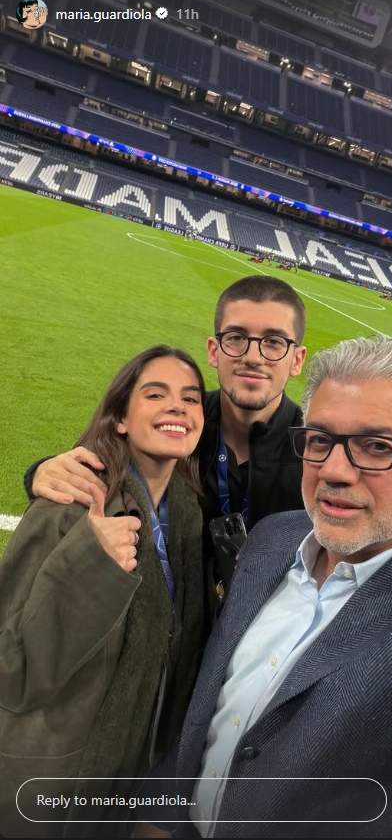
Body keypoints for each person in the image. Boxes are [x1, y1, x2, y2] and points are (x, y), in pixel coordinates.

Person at [144, 335, 392, 839]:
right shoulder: (273, 537)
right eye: (320, 440)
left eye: (378, 447)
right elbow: (215, 705)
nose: (334, 470)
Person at [23, 276, 392, 599]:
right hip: (167, 621)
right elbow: (99, 462)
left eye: (273, 342)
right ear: (214, 350)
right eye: (236, 338)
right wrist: (43, 472)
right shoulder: (173, 426)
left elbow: (388, 508)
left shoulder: (321, 449)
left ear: (296, 359)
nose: (253, 356)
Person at [0, 345, 208, 838]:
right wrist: (88, 566)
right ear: (120, 419)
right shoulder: (67, 507)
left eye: (190, 398)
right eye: (155, 394)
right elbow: (10, 670)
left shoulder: (188, 515)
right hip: (48, 786)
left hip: (123, 782)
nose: (177, 407)